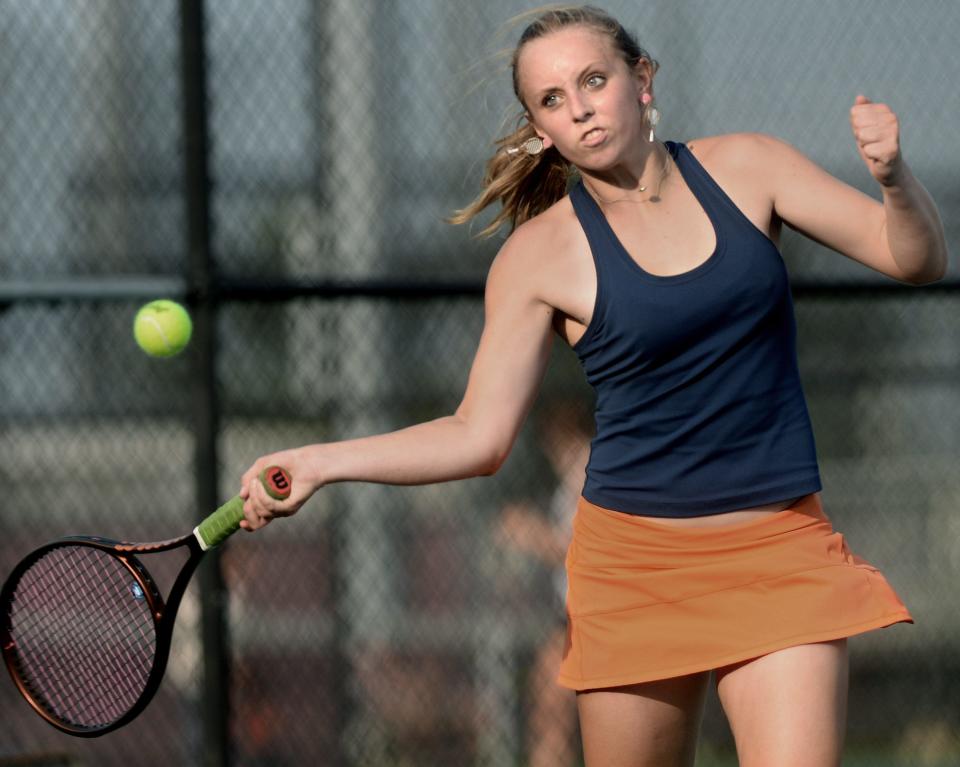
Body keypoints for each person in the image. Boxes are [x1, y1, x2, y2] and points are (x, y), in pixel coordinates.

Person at [238, 6, 948, 765]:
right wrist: (321, 461)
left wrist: (894, 179)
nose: (577, 105)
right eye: (551, 99)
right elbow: (476, 435)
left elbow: (912, 259)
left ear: (642, 81)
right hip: (632, 568)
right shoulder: (537, 258)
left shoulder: (750, 167)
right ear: (541, 128)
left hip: (779, 548)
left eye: (593, 79)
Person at [495, 403, 591, 767]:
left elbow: (587, 551)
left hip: (586, 616)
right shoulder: (569, 476)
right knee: (548, 717)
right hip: (565, 615)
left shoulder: (589, 466)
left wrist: (534, 536)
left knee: (553, 718)